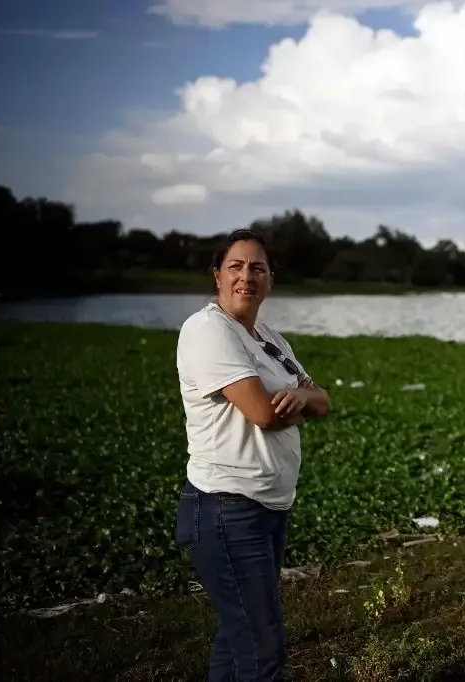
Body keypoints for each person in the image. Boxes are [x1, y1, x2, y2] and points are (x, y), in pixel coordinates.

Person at [174, 228, 330, 682]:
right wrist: (299, 400)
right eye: (236, 267)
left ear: (270, 279)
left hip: (268, 506)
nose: (248, 277)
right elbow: (263, 413)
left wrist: (304, 400)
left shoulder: (269, 337)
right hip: (226, 508)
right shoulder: (207, 330)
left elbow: (323, 400)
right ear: (217, 276)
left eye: (258, 268)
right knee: (261, 649)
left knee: (238, 632)